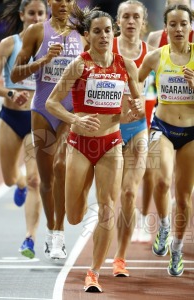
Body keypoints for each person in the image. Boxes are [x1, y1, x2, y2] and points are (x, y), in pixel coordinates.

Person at [45, 7, 143, 292]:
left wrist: (135, 108)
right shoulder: (79, 64)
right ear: (87, 36)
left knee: (108, 209)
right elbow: (52, 103)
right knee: (74, 216)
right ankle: (81, 188)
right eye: (97, 31)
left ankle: (94, 271)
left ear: (114, 33)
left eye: (107, 31)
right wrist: (75, 118)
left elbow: (135, 107)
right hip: (79, 143)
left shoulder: (127, 65)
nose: (103, 36)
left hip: (111, 143)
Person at [11, 0, 86, 260]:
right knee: (46, 180)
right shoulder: (36, 32)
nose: (63, 3)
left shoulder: (83, 31)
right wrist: (44, 59)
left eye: (68, 0)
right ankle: (51, 231)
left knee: (61, 166)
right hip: (42, 109)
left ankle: (59, 234)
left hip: (70, 110)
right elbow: (16, 74)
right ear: (50, 1)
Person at [139, 4, 194, 276]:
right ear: (166, 27)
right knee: (161, 181)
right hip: (162, 127)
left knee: (183, 199)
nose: (178, 29)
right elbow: (133, 83)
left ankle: (178, 248)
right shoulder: (155, 56)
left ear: (190, 27)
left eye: (183, 24)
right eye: (173, 24)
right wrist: (131, 103)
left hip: (191, 133)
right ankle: (162, 225)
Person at [0, 0, 48, 258]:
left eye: (41, 13)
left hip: (36, 119)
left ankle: (29, 239)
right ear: (22, 15)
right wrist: (11, 92)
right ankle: (19, 184)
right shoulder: (8, 45)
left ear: (46, 16)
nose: (36, 17)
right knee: (9, 178)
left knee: (36, 179)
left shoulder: (51, 46)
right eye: (32, 13)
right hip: (10, 118)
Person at [111, 0, 154, 278]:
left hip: (138, 129)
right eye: (125, 16)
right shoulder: (105, 47)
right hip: (108, 130)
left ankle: (120, 257)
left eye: (135, 17)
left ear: (143, 22)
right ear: (117, 21)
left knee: (128, 193)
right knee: (107, 197)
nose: (130, 21)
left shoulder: (152, 54)